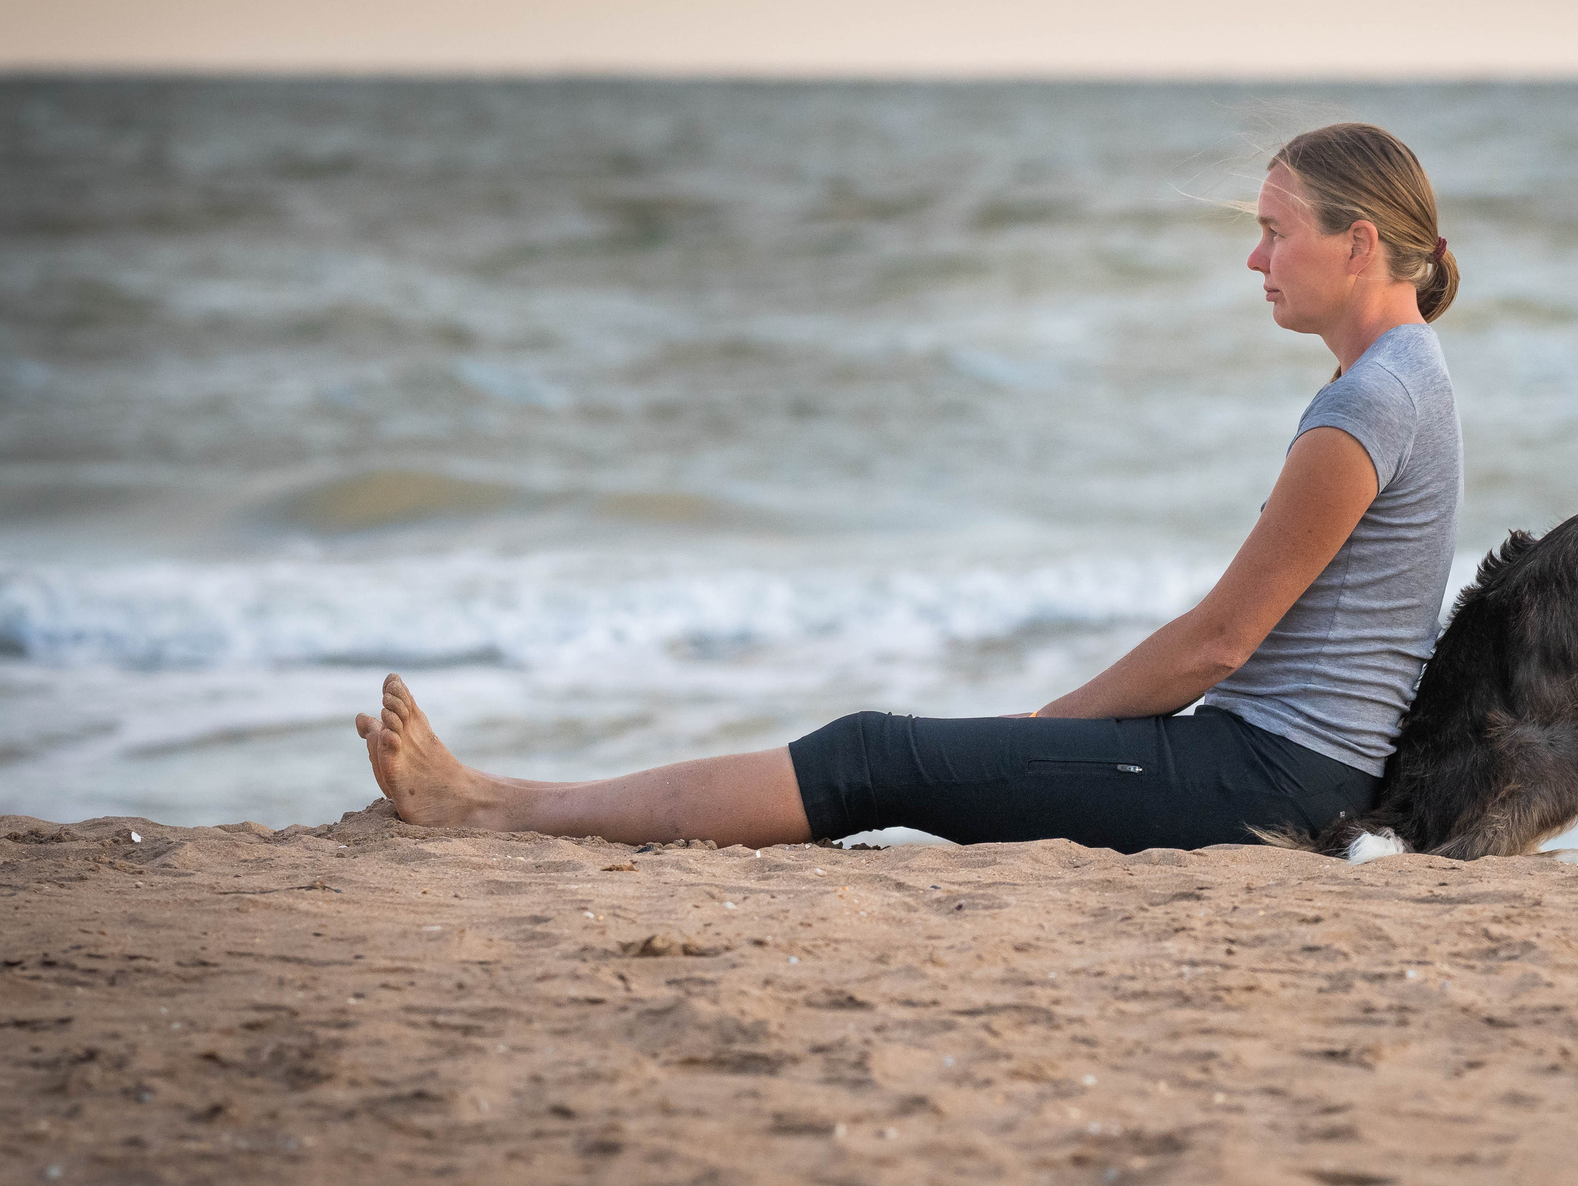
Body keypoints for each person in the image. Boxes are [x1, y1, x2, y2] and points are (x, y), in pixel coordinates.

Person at [356, 123, 1464, 853]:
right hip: (1286, 770)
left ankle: (497, 806)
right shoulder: (1402, 380)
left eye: (1274, 232)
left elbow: (1218, 643)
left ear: (1356, 243)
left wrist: (1047, 726)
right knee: (893, 755)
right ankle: (507, 799)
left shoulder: (1368, 401)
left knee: (873, 755)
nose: (1256, 260)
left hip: (1266, 784)